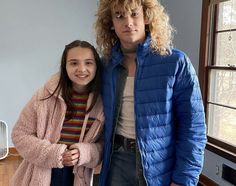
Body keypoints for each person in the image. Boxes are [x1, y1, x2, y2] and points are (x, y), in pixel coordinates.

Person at [95, 0, 207, 185]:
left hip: (160, 165)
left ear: (147, 17)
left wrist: (184, 179)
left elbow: (193, 127)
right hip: (116, 162)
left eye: (134, 13)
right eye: (119, 16)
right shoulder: (105, 65)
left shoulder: (176, 62)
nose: (128, 22)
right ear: (111, 23)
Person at [11, 40, 104, 186]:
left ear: (96, 66)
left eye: (88, 63)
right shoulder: (44, 95)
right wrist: (54, 153)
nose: (81, 69)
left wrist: (84, 153)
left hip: (79, 173)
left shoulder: (104, 101)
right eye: (74, 63)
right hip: (43, 170)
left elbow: (105, 144)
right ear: (65, 66)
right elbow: (19, 134)